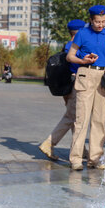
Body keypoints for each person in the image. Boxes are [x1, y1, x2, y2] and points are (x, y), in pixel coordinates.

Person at [67, 5, 105, 170]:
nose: (100, 24)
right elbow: (70, 56)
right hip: (85, 74)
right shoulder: (82, 34)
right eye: (97, 21)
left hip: (102, 77)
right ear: (91, 20)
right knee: (82, 119)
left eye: (103, 21)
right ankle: (76, 159)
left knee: (99, 120)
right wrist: (83, 60)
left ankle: (95, 158)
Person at [39, 19, 85, 161]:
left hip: (67, 85)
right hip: (75, 85)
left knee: (74, 116)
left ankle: (81, 149)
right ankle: (49, 143)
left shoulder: (68, 45)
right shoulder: (75, 46)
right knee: (72, 116)